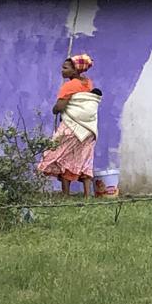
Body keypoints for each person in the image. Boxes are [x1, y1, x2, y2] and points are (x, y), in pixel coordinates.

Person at [37, 54, 102, 197]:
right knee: (84, 158)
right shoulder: (88, 83)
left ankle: (66, 194)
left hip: (71, 126)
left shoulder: (69, 85)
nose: (62, 70)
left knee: (60, 156)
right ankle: (87, 195)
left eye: (65, 68)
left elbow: (60, 106)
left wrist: (54, 109)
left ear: (75, 71)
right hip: (89, 128)